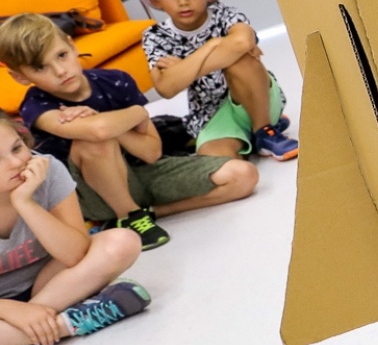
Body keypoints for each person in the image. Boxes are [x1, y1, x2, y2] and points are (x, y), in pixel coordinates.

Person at [0, 14, 258, 251]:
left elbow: (151, 152)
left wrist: (118, 120)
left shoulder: (116, 81)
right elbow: (99, 131)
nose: (60, 71)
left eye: (61, 56)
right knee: (93, 142)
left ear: (72, 45)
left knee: (243, 176)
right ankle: (129, 216)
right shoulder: (37, 104)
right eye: (40, 68)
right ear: (20, 77)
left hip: (141, 172)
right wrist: (135, 115)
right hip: (91, 193)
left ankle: (148, 212)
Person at [0, 114, 147, 345]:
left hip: (51, 284)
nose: (16, 162)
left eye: (17, 147)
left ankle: (15, 337)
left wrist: (25, 203)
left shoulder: (46, 169)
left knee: (122, 242)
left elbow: (76, 253)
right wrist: (9, 310)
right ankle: (68, 323)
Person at [140, 0, 299, 161]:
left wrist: (183, 69)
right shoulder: (155, 35)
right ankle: (249, 133)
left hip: (257, 96)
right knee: (219, 163)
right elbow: (166, 88)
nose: (183, 1)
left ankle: (263, 129)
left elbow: (242, 41)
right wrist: (212, 45)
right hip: (210, 114)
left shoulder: (226, 15)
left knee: (240, 60)